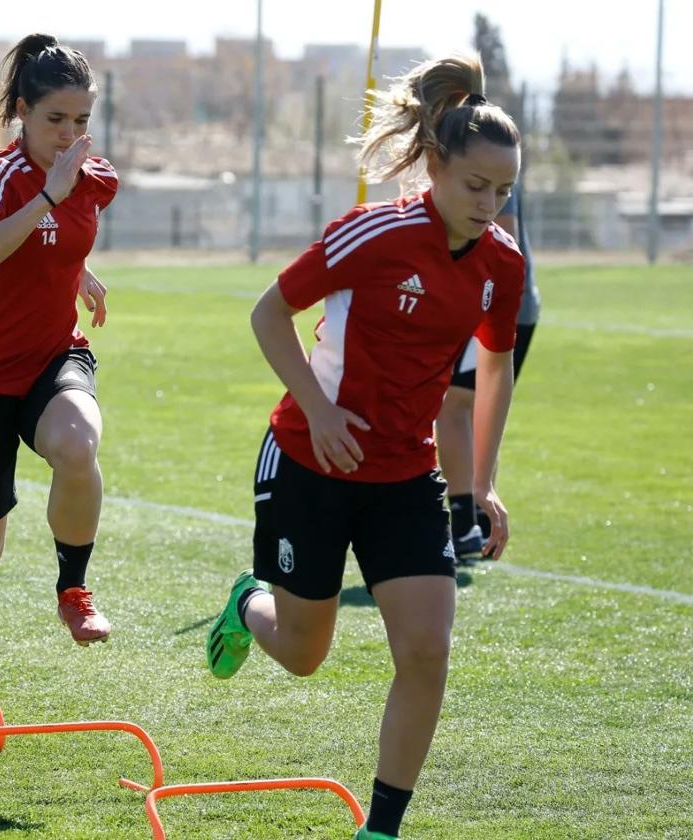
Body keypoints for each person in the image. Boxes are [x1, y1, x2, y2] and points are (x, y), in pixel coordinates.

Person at [207, 53, 524, 840]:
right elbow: (267, 315)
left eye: (505, 191)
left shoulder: (501, 265)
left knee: (427, 651)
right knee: (306, 653)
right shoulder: (374, 233)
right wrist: (318, 411)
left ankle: (380, 830)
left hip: (404, 476)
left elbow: (491, 368)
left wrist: (479, 484)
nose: (490, 206)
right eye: (476, 187)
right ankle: (248, 606)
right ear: (437, 168)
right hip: (309, 463)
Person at [0, 34, 117, 780]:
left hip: (48, 359)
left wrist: (81, 273)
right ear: (20, 115)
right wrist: (49, 197)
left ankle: (74, 586)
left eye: (81, 120)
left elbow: (56, 239)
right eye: (55, 120)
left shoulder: (92, 177)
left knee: (79, 444)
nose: (70, 136)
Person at [436, 182, 540, 560]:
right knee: (475, 406)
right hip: (509, 303)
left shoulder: (478, 156)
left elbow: (504, 236)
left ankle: (464, 523)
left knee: (453, 405)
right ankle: (478, 519)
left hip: (489, 301)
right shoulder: (474, 154)